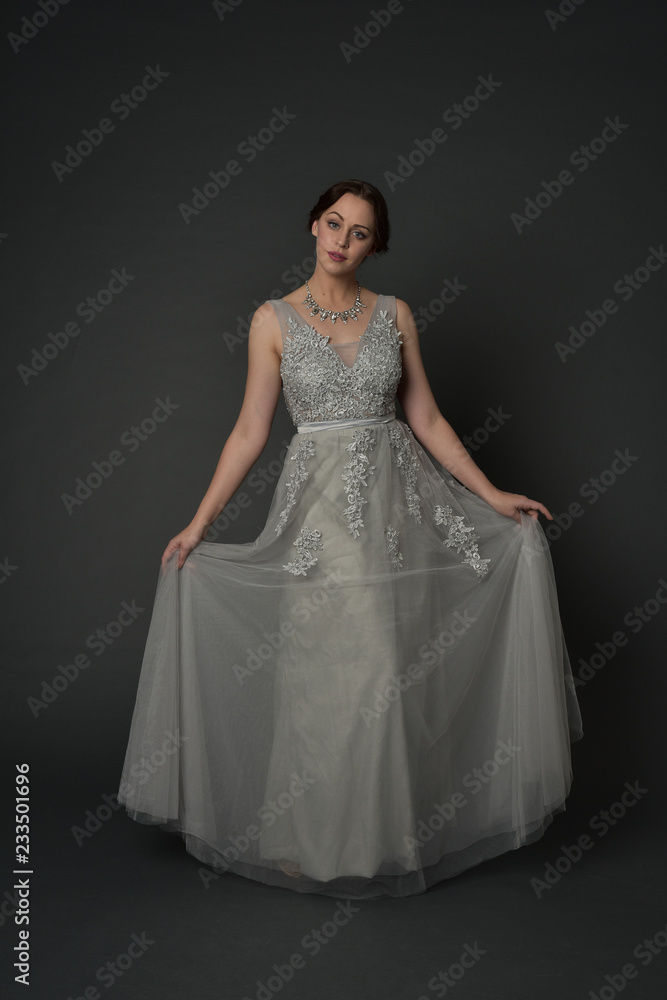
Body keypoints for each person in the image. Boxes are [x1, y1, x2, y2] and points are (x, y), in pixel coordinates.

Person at [117, 178, 583, 899]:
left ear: (375, 244)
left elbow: (425, 419)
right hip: (317, 516)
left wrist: (491, 495)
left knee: (384, 672)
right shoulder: (271, 320)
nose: (341, 239)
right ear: (312, 225)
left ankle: (381, 839)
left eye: (359, 231)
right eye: (333, 223)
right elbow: (249, 431)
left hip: (398, 514)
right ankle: (305, 838)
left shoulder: (394, 314)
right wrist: (197, 523)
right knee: (319, 670)